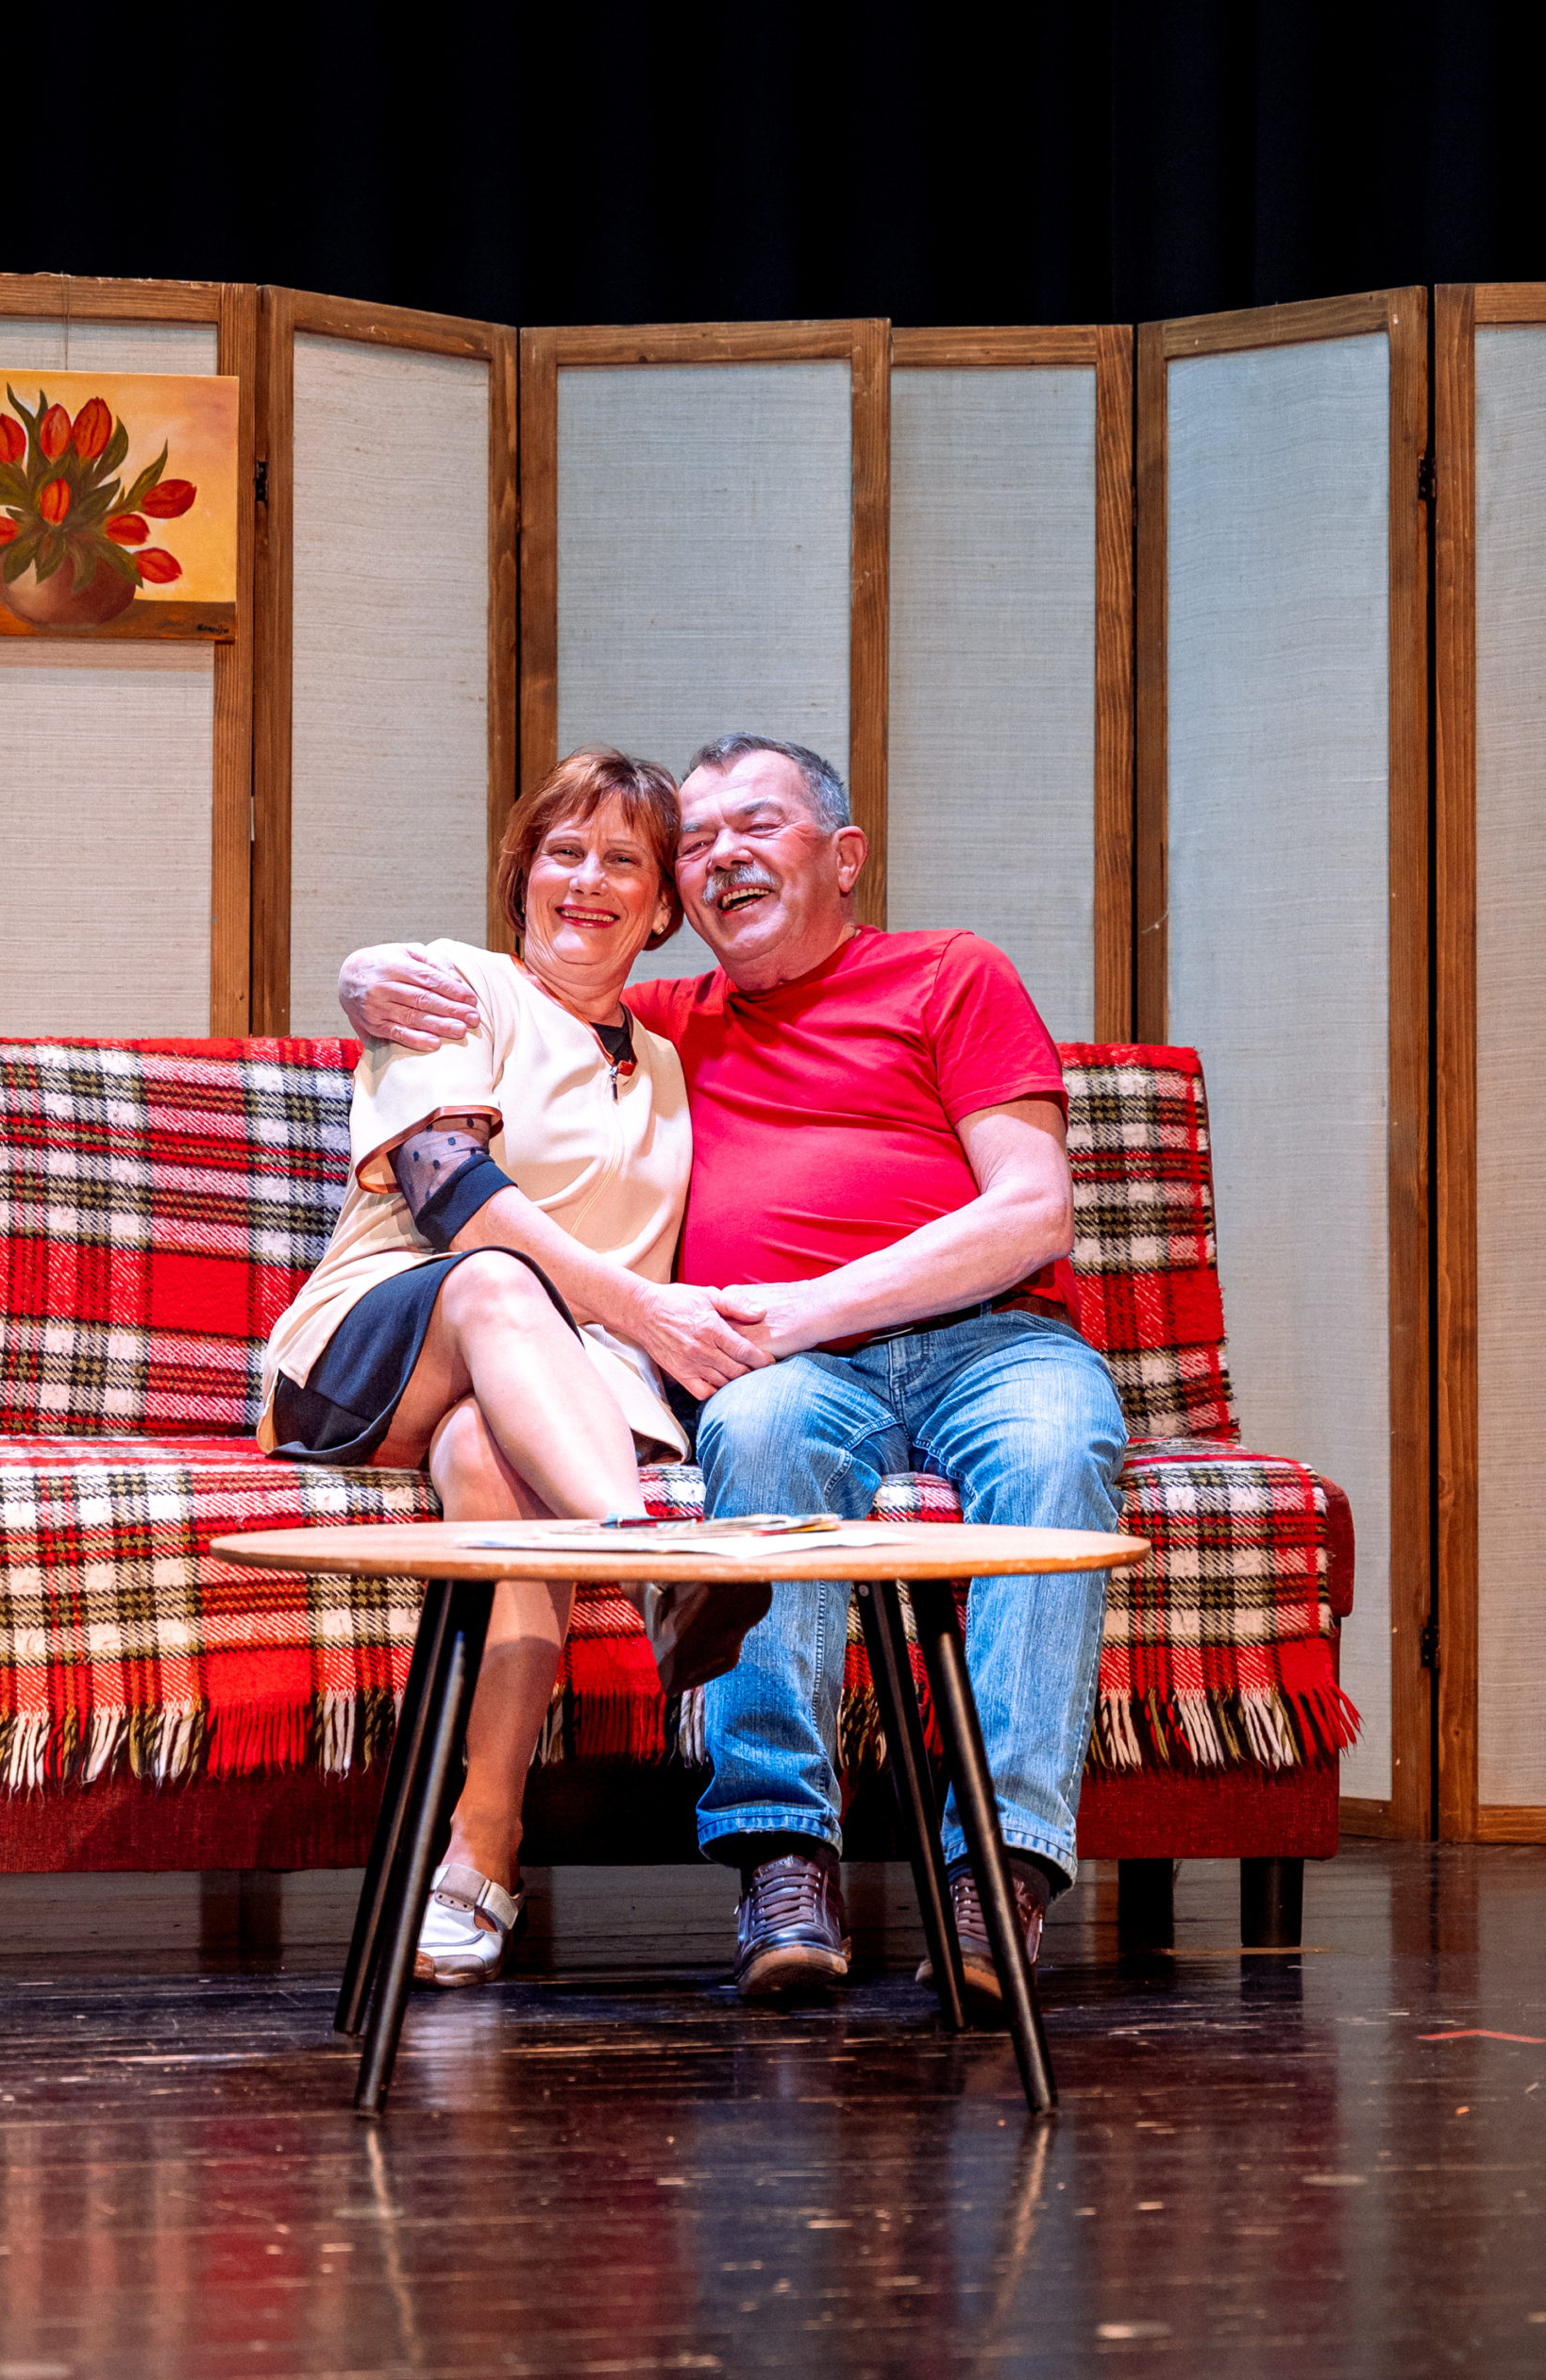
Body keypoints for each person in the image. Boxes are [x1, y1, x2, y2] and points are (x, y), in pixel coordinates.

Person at [339, 733, 1126, 2016]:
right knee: (755, 1439)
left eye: (756, 825)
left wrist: (809, 1307)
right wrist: (367, 976)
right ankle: (782, 1864)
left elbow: (1034, 1212)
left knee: (1057, 1448)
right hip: (785, 1374)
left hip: (995, 1342)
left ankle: (1000, 1874)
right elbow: (522, 994)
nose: (721, 858)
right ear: (675, 901)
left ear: (845, 857)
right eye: (695, 843)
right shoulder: (658, 1026)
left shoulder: (950, 973)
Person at [265, 746, 772, 1987]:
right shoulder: (458, 990)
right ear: (521, 875)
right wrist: (646, 1312)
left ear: (663, 906)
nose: (587, 880)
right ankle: (650, 1561)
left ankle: (480, 1851)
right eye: (563, 852)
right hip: (375, 1345)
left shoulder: (668, 1059)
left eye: (623, 861)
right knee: (499, 1278)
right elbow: (449, 1195)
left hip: (551, 1392)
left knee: (498, 1471)